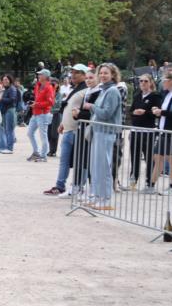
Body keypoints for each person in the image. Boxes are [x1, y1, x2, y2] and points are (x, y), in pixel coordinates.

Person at [43, 64, 90, 196]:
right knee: (64, 160)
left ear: (84, 75)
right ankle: (60, 185)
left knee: (81, 161)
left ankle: (79, 186)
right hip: (69, 129)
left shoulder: (86, 90)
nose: (73, 75)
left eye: (77, 73)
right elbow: (69, 107)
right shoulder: (74, 89)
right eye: (72, 72)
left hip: (78, 130)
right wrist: (63, 123)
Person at [82, 63, 123, 210]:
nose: (103, 75)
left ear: (113, 75)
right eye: (101, 73)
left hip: (106, 132)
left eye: (106, 73)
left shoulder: (112, 91)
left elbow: (106, 113)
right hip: (98, 131)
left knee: (104, 167)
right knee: (96, 167)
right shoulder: (104, 90)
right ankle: (97, 197)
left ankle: (105, 199)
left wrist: (91, 107)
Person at [145, 70, 172, 195]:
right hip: (164, 130)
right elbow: (166, 111)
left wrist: (162, 112)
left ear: (170, 81)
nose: (162, 83)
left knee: (171, 159)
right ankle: (152, 185)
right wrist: (158, 111)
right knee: (158, 157)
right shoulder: (167, 93)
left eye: (164, 80)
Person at [127, 73, 163, 190]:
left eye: (145, 81)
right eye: (141, 81)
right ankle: (133, 180)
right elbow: (131, 110)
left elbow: (157, 113)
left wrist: (145, 112)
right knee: (134, 156)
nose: (142, 83)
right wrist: (134, 112)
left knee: (149, 158)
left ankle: (150, 182)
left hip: (148, 131)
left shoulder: (155, 96)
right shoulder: (137, 95)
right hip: (135, 130)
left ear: (151, 82)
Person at [26, 69, 55, 161]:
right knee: (30, 133)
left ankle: (43, 156)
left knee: (43, 135)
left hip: (43, 114)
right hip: (36, 113)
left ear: (45, 77)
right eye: (38, 75)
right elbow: (38, 99)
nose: (38, 76)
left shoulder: (49, 87)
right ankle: (36, 152)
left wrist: (36, 104)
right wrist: (34, 103)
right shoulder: (38, 86)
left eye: (40, 74)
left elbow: (50, 103)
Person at [0, 75, 19, 153]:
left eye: (6, 79)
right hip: (7, 111)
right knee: (7, 129)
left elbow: (12, 99)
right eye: (3, 79)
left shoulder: (12, 89)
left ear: (10, 80)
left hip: (10, 110)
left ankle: (10, 148)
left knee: (9, 130)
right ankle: (6, 147)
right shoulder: (7, 89)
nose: (5, 81)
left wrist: (0, 99)